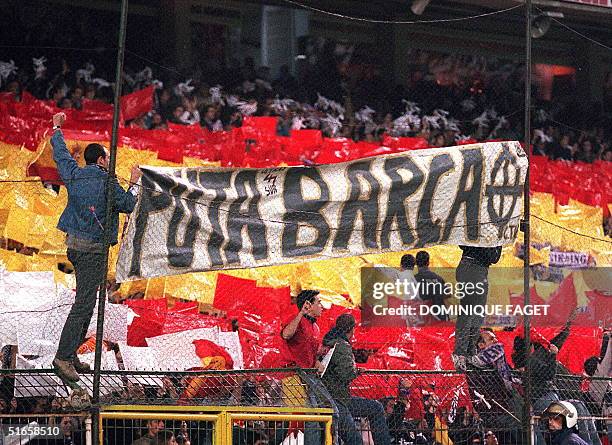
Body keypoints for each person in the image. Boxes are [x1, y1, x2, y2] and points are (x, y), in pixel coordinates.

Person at [50, 112, 141, 382]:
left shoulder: (75, 174)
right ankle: (63, 357)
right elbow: (129, 205)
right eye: (108, 159)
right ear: (101, 160)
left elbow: (61, 155)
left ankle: (72, 353)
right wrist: (134, 183)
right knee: (83, 306)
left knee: (87, 305)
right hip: (93, 252)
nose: (110, 163)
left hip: (74, 247)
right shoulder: (108, 181)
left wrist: (57, 128)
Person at [321, 314, 391, 445]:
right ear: (352, 329)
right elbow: (346, 374)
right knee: (356, 441)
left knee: (376, 408)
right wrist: (356, 371)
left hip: (333, 397)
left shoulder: (330, 342)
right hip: (338, 401)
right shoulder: (342, 346)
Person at [452, 245, 502, 369]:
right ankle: (460, 354)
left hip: (480, 270)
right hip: (471, 267)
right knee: (468, 313)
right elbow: (462, 243)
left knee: (477, 315)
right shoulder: (478, 228)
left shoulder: (494, 235)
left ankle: (470, 353)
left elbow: (494, 258)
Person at [414, 251, 448, 321]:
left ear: (416, 263)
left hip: (424, 321)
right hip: (440, 318)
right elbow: (446, 297)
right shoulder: (439, 278)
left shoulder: (413, 280)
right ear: (428, 263)